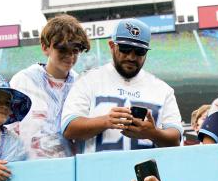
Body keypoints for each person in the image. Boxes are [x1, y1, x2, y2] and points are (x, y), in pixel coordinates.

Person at [61, 18, 183, 152]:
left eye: (139, 51)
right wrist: (106, 121)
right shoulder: (87, 80)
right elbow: (69, 128)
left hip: (147, 172)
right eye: (125, 48)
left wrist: (152, 133)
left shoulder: (163, 90)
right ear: (112, 46)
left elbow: (176, 139)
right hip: (98, 171)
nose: (131, 57)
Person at [9, 14, 90, 159]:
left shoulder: (81, 85)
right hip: (31, 169)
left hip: (71, 171)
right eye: (63, 49)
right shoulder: (23, 81)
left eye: (75, 50)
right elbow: (10, 129)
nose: (70, 56)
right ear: (45, 47)